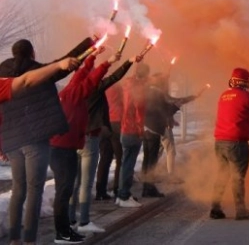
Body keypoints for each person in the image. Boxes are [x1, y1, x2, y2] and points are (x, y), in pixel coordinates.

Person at [0, 38, 92, 245]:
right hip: (35, 139)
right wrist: (89, 42)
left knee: (18, 190)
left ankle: (15, 239)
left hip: (12, 141)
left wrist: (2, 142)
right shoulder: (40, 72)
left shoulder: (1, 76)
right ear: (32, 53)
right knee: (35, 190)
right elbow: (62, 65)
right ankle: (30, 241)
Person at [69, 53, 138, 234]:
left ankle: (70, 219)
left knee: (74, 182)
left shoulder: (73, 87)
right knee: (86, 183)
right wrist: (128, 62)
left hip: (74, 137)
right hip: (90, 137)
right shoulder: (94, 88)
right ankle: (84, 221)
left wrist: (91, 56)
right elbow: (115, 77)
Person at [50, 48, 114, 244]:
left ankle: (66, 229)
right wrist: (107, 62)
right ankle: (62, 233)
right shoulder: (73, 94)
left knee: (68, 189)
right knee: (64, 191)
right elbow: (89, 82)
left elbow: (81, 76)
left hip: (64, 147)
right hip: (63, 149)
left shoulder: (70, 90)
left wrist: (92, 57)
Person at [210, 68, 249, 220]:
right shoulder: (245, 96)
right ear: (245, 82)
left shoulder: (224, 95)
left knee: (222, 175)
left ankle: (215, 208)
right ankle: (241, 211)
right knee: (237, 177)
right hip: (236, 144)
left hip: (220, 142)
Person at [141, 73, 203, 197]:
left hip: (146, 128)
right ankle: (150, 187)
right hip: (155, 128)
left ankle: (146, 185)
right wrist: (188, 99)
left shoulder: (147, 92)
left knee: (148, 158)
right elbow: (169, 108)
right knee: (154, 159)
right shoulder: (158, 94)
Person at [115, 63, 151, 208]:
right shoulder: (138, 90)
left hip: (124, 128)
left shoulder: (127, 85)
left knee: (124, 163)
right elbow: (138, 111)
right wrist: (140, 130)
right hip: (132, 131)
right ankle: (124, 195)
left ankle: (121, 195)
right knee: (128, 165)